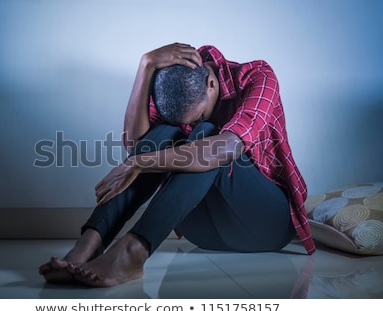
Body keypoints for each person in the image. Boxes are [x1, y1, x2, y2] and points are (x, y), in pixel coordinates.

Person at [39, 43, 316, 288]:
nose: (195, 121)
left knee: (207, 135)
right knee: (162, 136)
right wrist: (145, 65)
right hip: (206, 231)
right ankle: (87, 247)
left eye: (199, 112)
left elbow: (228, 147)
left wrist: (139, 161)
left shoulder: (257, 77)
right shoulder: (174, 82)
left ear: (211, 84)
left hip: (266, 226)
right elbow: (136, 144)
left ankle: (133, 252)